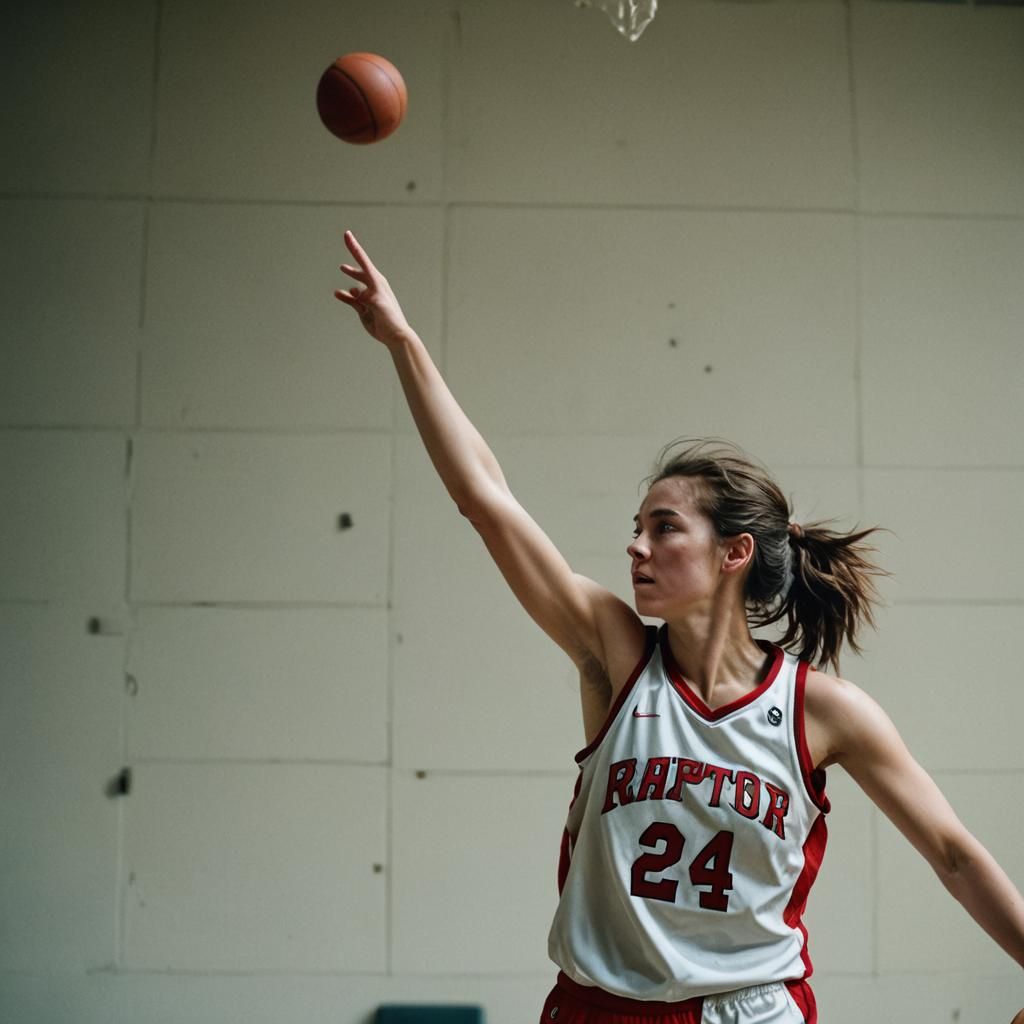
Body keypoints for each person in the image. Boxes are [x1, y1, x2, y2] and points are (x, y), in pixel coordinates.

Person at [334, 230, 1024, 1024]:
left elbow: (953, 852)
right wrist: (405, 342)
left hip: (751, 1007)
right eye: (637, 525)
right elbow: (486, 501)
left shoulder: (820, 709)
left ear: (733, 552)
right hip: (600, 1006)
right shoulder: (614, 651)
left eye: (664, 528)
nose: (636, 544)